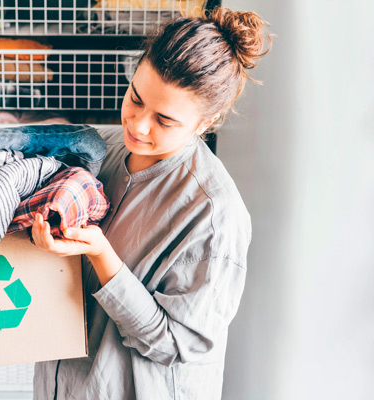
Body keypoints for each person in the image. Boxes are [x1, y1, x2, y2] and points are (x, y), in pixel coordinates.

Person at [30, 7, 272, 400]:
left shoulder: (213, 216)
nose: (138, 125)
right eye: (135, 98)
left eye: (164, 120)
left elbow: (176, 344)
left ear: (206, 122)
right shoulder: (102, 149)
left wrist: (101, 255)